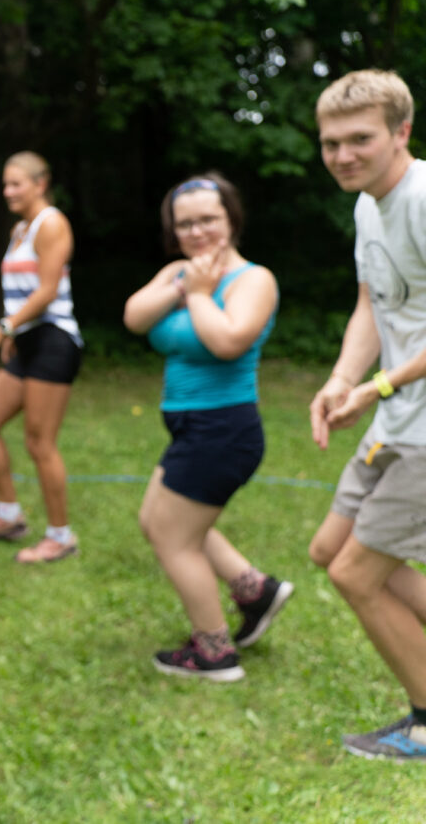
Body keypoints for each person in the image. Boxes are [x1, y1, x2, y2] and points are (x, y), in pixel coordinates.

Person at [122, 172, 292, 682]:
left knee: (175, 539)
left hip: (225, 429)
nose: (196, 232)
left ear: (232, 220)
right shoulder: (179, 271)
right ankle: (254, 590)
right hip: (192, 429)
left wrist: (196, 294)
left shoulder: (253, 280)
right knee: (157, 519)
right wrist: (182, 284)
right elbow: (134, 316)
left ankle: (215, 652)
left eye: (208, 221)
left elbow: (229, 341)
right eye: (185, 224)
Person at [307, 68, 426, 760]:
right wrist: (342, 377)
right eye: (331, 142)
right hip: (395, 417)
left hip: (420, 426)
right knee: (331, 551)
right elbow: (371, 306)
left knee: (357, 572)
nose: (343, 155)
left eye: (360, 139)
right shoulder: (365, 205)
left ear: (400, 131)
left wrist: (376, 387)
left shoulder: (421, 198)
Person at [0, 152, 83, 563]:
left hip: (54, 340)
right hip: (27, 340)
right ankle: (9, 515)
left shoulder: (52, 223)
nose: (8, 191)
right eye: (5, 184)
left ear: (40, 183)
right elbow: (23, 289)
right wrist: (14, 332)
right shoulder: (20, 230)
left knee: (39, 442)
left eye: (17, 183)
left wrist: (3, 327)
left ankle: (61, 536)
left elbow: (47, 290)